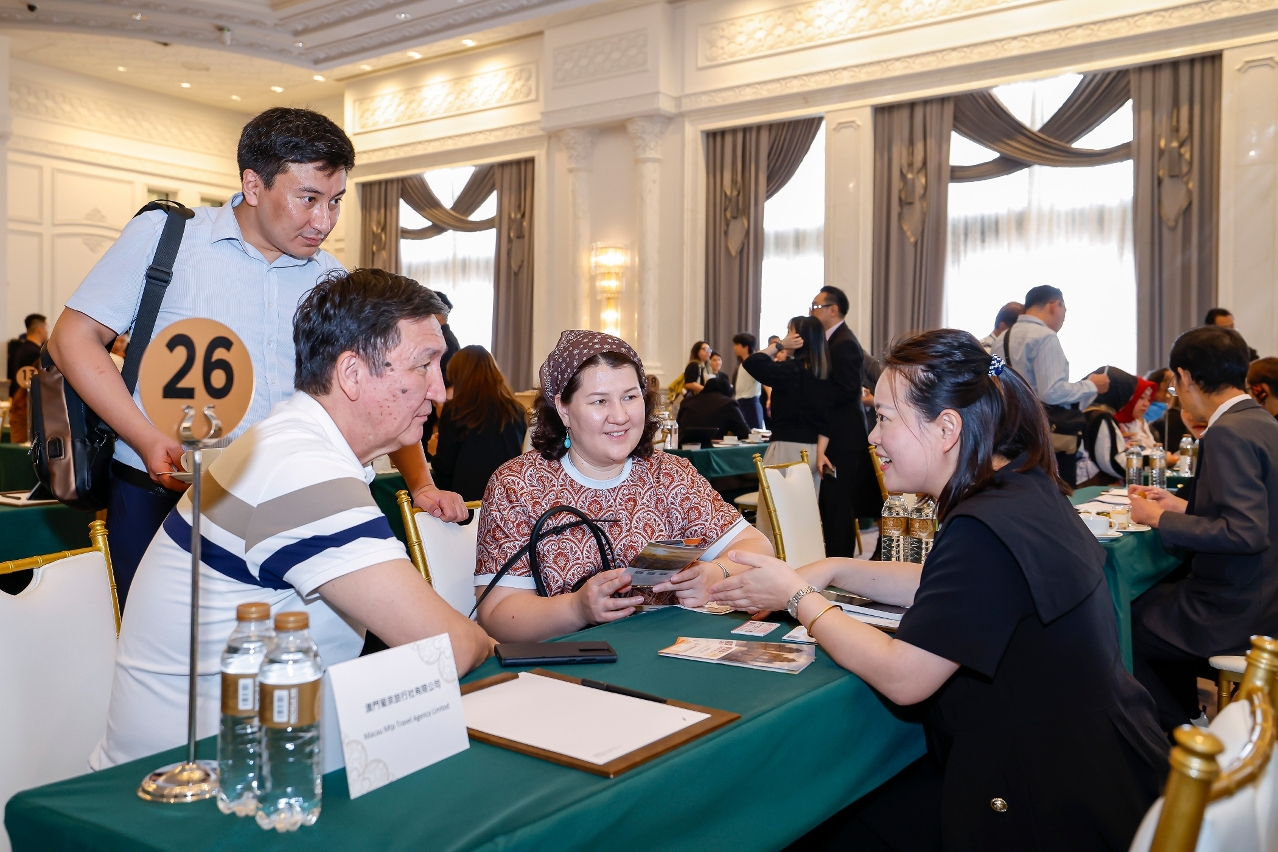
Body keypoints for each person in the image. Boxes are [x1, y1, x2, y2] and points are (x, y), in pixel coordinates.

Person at [710, 329, 1167, 851]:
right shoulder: (1019, 484)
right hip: (1101, 768)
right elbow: (951, 586)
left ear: (947, 427)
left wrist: (797, 597)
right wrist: (835, 569)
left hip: (1045, 802)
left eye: (884, 418)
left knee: (813, 824)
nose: (872, 437)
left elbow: (904, 677)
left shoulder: (983, 523)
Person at [48, 108, 468, 609]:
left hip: (286, 498)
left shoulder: (331, 280)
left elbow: (381, 389)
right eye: (308, 199)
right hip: (161, 490)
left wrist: (421, 484)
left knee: (278, 652)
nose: (324, 221)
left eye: (335, 202)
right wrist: (144, 437)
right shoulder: (170, 239)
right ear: (253, 184)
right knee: (162, 654)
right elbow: (72, 338)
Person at [90, 268, 494, 770]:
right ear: (351, 375)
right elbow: (448, 648)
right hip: (191, 792)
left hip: (247, 759)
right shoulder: (299, 471)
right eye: (423, 366)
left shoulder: (287, 444)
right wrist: (489, 642)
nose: (441, 392)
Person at [473, 330, 772, 642]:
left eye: (630, 397)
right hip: (566, 671)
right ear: (563, 409)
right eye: (600, 401)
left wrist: (713, 574)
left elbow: (758, 547)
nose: (619, 416)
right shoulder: (519, 485)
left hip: (666, 655)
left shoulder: (668, 474)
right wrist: (576, 609)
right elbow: (496, 614)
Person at [1130, 325, 1278, 730]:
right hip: (1265, 597)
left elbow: (1246, 532)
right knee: (1149, 603)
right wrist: (1181, 506)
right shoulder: (1262, 422)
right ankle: (1188, 715)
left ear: (1187, 377)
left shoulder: (1226, 432)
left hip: (1234, 608)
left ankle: (1177, 736)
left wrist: (1160, 518)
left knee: (1113, 619)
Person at [994, 285, 1110, 486]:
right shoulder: (1045, 336)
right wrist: (1091, 385)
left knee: (1018, 492)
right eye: (1064, 310)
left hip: (1008, 430)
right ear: (1055, 305)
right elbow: (1051, 392)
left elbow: (994, 381)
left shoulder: (1001, 338)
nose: (1063, 316)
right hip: (1044, 432)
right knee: (1055, 494)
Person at [808, 286, 881, 556]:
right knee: (833, 507)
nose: (812, 311)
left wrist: (814, 395)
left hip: (842, 439)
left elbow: (846, 391)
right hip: (836, 435)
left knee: (839, 507)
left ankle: (839, 566)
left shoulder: (845, 342)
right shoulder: (831, 341)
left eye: (816, 306)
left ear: (833, 309)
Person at [743, 316, 831, 493]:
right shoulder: (823, 373)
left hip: (786, 448)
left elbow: (752, 362)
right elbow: (827, 419)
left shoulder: (791, 370)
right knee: (805, 511)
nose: (787, 336)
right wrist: (821, 452)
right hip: (813, 450)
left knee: (777, 512)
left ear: (800, 339)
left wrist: (779, 344)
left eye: (790, 332)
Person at [430, 345, 527, 502]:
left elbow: (445, 468)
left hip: (468, 507)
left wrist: (435, 452)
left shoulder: (455, 411)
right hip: (508, 503)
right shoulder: (516, 411)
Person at [1078, 369, 1160, 485]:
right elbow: (1114, 464)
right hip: (1093, 488)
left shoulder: (1084, 412)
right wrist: (1152, 459)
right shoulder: (1102, 417)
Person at [6, 313, 47, 443]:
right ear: (40, 329)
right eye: (47, 328)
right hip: (27, 409)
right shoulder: (35, 353)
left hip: (19, 406)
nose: (48, 332)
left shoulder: (20, 349)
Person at [676, 376, 750, 443]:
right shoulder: (728, 404)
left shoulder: (686, 402)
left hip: (683, 448)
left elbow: (678, 426)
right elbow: (744, 433)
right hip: (714, 450)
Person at [731, 333, 764, 429]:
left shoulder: (754, 362)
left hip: (751, 403)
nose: (734, 348)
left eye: (737, 345)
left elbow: (764, 380)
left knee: (754, 434)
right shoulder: (742, 364)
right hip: (741, 403)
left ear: (745, 347)